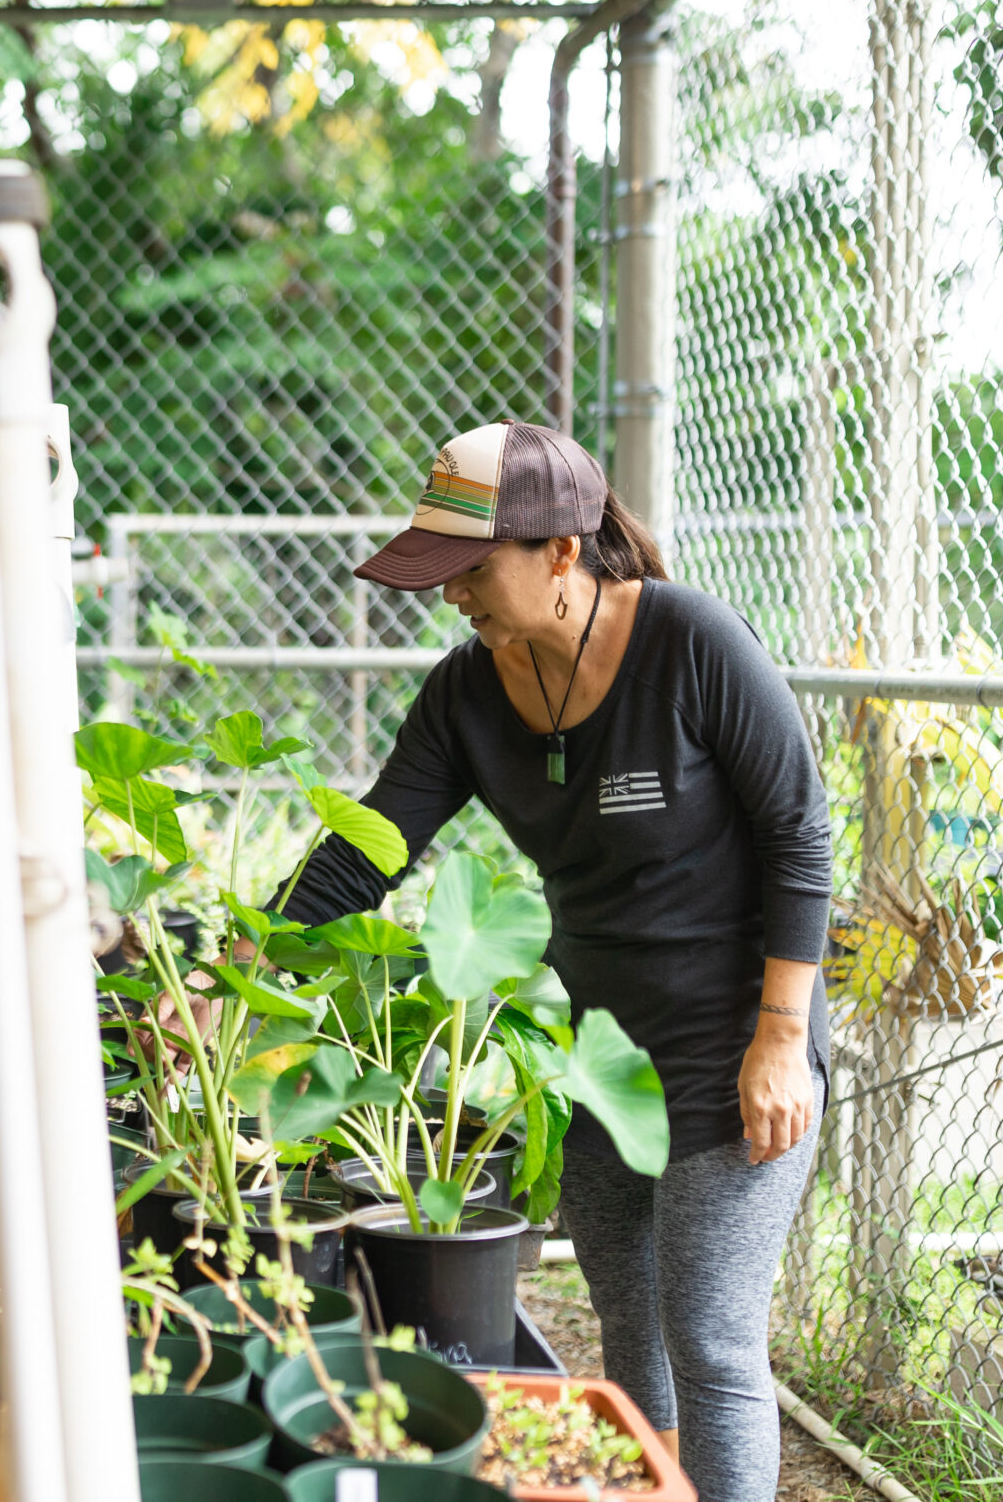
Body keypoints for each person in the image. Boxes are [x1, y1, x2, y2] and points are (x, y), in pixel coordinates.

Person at [276, 419, 829, 1502]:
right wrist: (233, 973)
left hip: (733, 1050)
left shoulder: (691, 645)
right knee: (630, 1331)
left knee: (711, 1339)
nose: (452, 598)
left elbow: (799, 834)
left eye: (471, 570)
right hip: (602, 1062)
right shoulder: (467, 692)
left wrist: (779, 1038)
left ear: (562, 555)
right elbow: (365, 853)